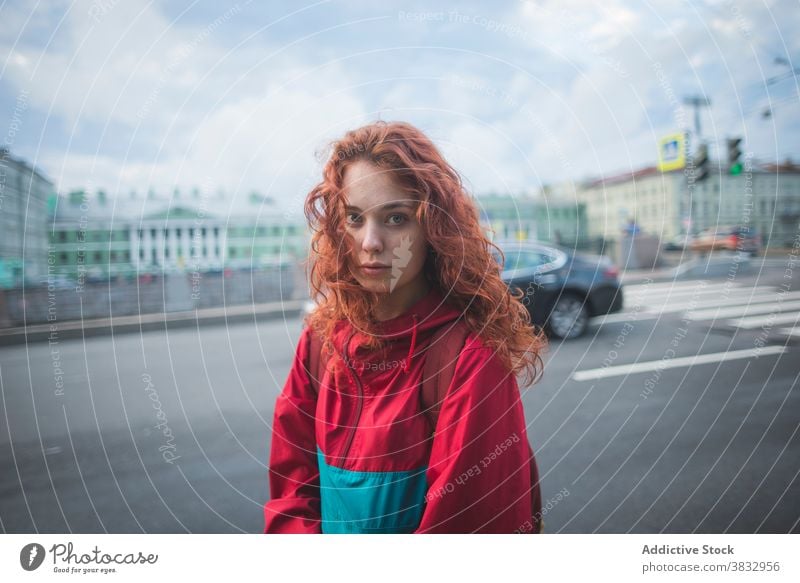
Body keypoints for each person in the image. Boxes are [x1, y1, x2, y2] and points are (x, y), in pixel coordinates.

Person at [263, 120, 548, 534]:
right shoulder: (321, 340)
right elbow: (292, 486)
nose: (370, 242)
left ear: (434, 228)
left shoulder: (468, 360)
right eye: (355, 218)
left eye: (395, 218)